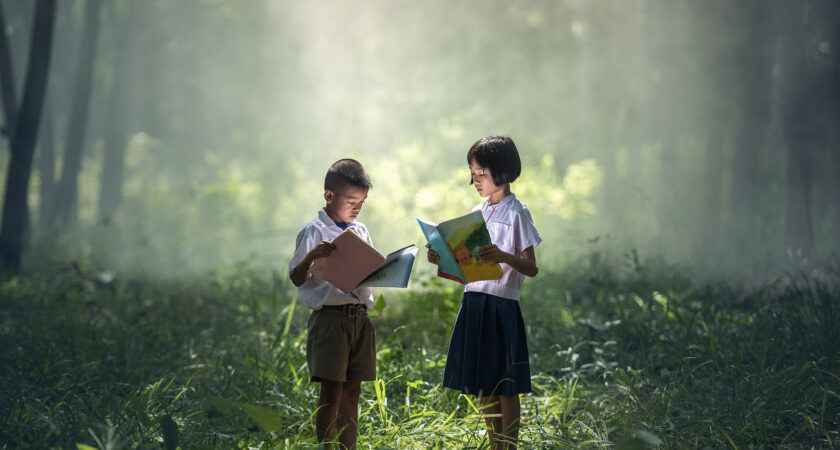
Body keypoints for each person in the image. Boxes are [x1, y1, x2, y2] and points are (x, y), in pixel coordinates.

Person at [426, 136, 541, 449]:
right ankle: (495, 445)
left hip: (501, 307)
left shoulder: (518, 212)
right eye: (472, 174)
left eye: (481, 175)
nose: (474, 181)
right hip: (474, 302)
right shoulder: (477, 212)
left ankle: (510, 446)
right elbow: (467, 274)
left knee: (507, 385)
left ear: (502, 173)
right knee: (486, 385)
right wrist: (442, 258)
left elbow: (531, 268)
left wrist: (503, 256)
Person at [289, 158, 376, 449]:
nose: (356, 207)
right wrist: (312, 256)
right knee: (332, 393)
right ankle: (327, 446)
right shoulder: (313, 231)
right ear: (329, 195)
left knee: (353, 391)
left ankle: (347, 447)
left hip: (359, 320)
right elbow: (297, 278)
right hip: (331, 321)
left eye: (361, 202)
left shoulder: (360, 231)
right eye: (351, 200)